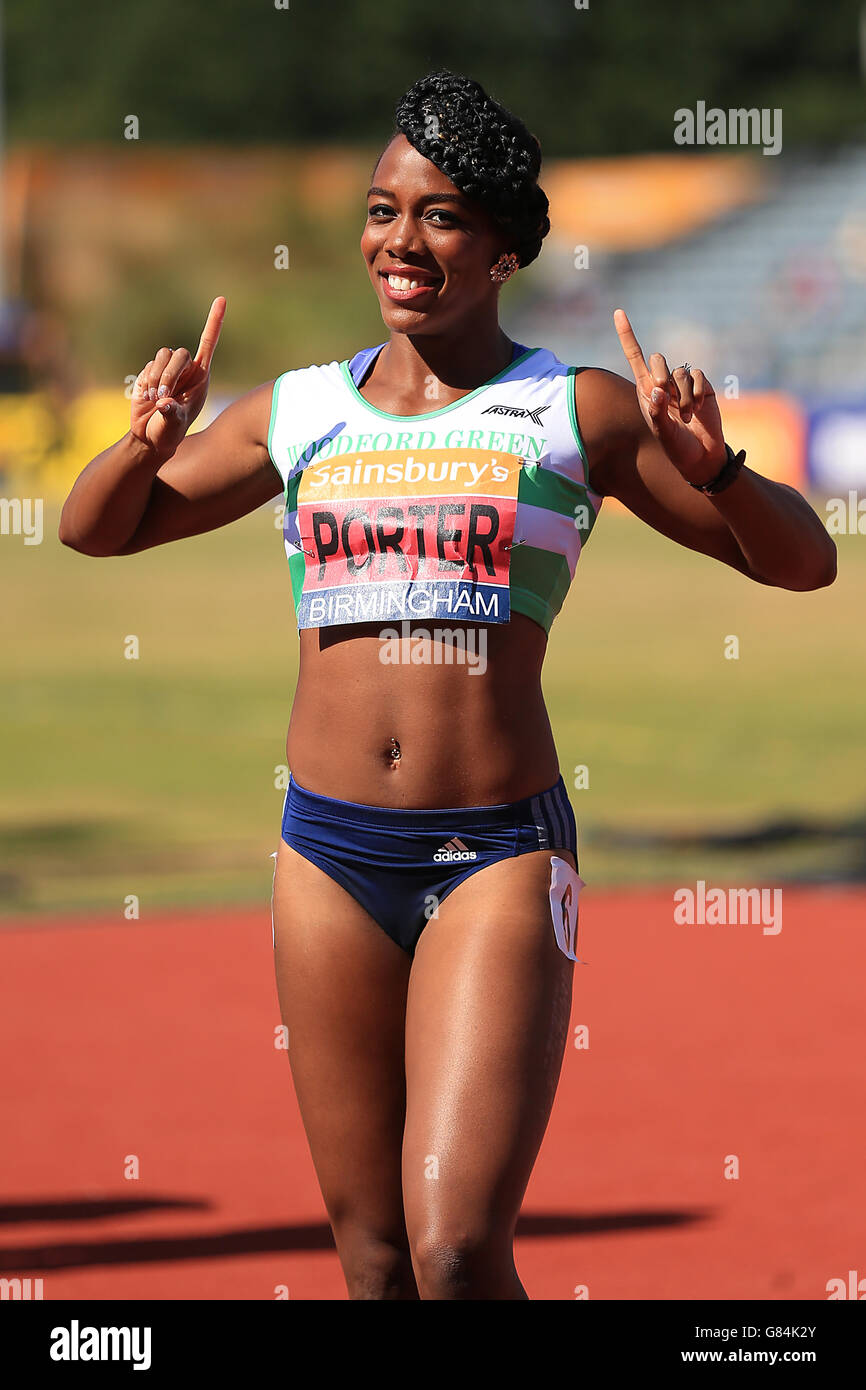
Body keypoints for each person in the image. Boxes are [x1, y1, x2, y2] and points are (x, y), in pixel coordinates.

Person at [59, 70, 837, 1300]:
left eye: (439, 216)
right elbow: (97, 530)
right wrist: (146, 438)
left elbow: (802, 565)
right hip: (325, 855)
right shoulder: (299, 410)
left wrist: (722, 468)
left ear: (503, 248)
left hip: (496, 855)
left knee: (456, 1249)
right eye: (381, 210)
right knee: (371, 1260)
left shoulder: (571, 410)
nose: (398, 242)